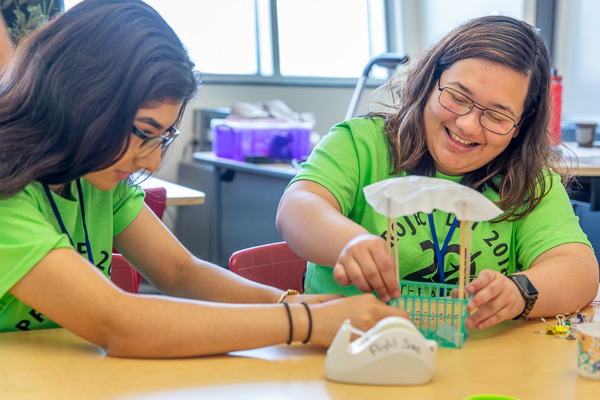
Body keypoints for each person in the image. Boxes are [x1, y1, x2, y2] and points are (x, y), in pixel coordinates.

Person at [0, 0, 407, 358]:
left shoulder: (92, 174)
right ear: (82, 99)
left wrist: (301, 304)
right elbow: (118, 324)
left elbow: (181, 272)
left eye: (162, 138)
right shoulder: (10, 190)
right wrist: (302, 321)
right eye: (144, 132)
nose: (152, 161)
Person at [276, 15, 600, 332]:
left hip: (474, 367)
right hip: (343, 352)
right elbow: (298, 207)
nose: (468, 125)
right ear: (431, 82)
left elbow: (579, 269)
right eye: (458, 97)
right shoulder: (362, 144)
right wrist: (349, 241)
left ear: (521, 126)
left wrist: (519, 292)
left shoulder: (528, 181)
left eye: (498, 117)